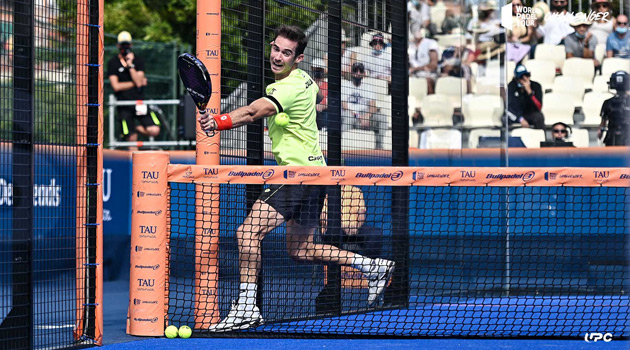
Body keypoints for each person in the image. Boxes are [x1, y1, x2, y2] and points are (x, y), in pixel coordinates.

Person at [197, 25, 395, 332]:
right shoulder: (307, 81)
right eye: (275, 48)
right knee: (300, 250)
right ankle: (373, 265)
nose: (277, 56)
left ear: (298, 58)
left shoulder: (284, 88)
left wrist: (218, 121)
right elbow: (309, 98)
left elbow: (252, 112)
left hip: (297, 175)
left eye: (286, 53)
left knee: (247, 234)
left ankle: (247, 308)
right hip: (318, 174)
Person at [107, 31, 159, 148]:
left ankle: (136, 127)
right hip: (124, 105)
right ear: (118, 46)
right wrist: (135, 83)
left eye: (127, 45)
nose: (125, 48)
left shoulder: (138, 60)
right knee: (131, 138)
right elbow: (116, 86)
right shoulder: (113, 63)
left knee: (154, 130)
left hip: (139, 102)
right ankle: (134, 165)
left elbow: (139, 82)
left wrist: (130, 65)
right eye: (122, 45)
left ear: (131, 45)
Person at [341, 62, 388, 149]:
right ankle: (340, 148)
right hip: (351, 115)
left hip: (365, 117)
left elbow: (373, 105)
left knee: (383, 117)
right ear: (352, 72)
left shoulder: (368, 87)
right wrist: (358, 116)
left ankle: (379, 147)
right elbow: (344, 105)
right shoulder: (345, 85)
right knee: (348, 117)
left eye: (360, 71)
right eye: (356, 71)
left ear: (363, 73)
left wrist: (367, 116)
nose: (358, 73)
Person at [507, 64, 545, 129]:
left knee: (539, 117)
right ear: (517, 79)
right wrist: (520, 119)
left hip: (530, 113)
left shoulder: (536, 86)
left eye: (527, 76)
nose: (525, 79)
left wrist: (530, 92)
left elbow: (539, 106)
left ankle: (541, 137)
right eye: (521, 77)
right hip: (516, 114)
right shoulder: (511, 86)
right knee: (505, 118)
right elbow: (509, 106)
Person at [598, 71, 630, 145]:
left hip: (614, 137)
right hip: (614, 137)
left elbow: (602, 124)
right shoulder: (607, 103)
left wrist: (600, 131)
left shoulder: (607, 102)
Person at [408, 29, 439, 94]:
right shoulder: (410, 45)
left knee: (427, 82)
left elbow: (434, 65)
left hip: (428, 73)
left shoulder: (431, 43)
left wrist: (416, 69)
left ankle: (430, 101)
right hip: (413, 74)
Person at [311, 58, 329, 130]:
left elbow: (329, 101)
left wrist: (323, 106)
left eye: (319, 70)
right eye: (316, 69)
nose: (317, 72)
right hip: (311, 110)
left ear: (323, 71)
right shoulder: (309, 83)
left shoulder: (327, 84)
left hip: (323, 112)